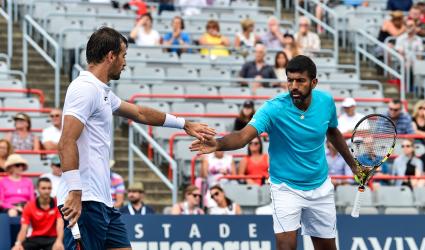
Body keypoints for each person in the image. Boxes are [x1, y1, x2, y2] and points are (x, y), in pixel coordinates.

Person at [57, 27, 215, 249]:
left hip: (103, 202)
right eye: (123, 55)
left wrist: (183, 123)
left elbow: (139, 113)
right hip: (85, 201)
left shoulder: (101, 91)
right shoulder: (84, 89)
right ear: (111, 56)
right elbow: (65, 142)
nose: (125, 62)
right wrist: (74, 191)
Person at [191, 55, 360, 250]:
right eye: (290, 80)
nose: (294, 86)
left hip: (320, 186)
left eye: (300, 81)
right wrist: (218, 144)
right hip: (285, 187)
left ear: (314, 82)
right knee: (285, 246)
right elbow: (243, 136)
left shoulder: (326, 102)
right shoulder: (273, 108)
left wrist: (354, 166)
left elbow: (332, 131)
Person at [12, 177, 64, 250]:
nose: (47, 191)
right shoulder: (29, 206)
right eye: (43, 188)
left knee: (59, 248)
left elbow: (60, 226)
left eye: (49, 188)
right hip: (34, 239)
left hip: (52, 239)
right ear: (37, 189)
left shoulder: (57, 204)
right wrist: (18, 243)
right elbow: (24, 229)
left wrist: (59, 241)